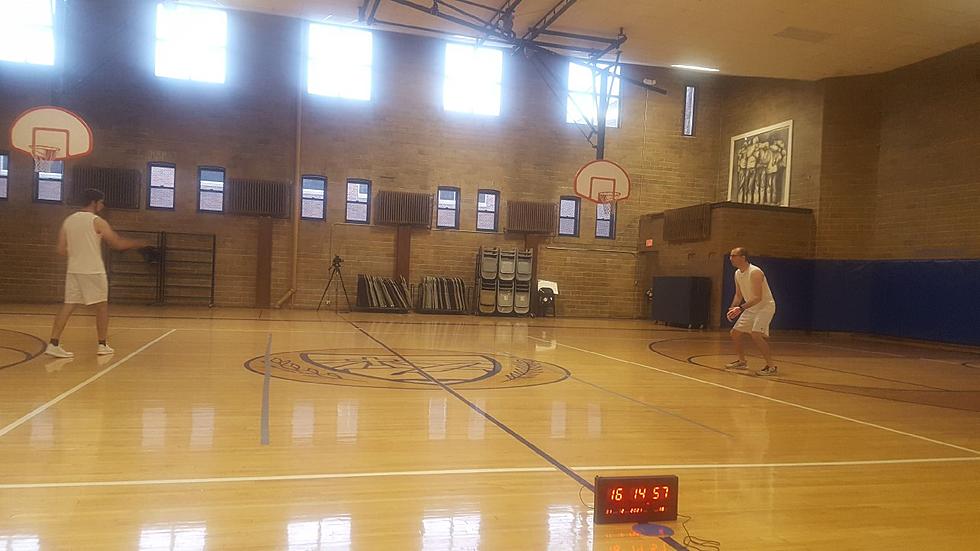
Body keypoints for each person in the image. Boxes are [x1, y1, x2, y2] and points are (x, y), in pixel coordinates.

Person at [45, 189, 144, 358]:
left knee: (68, 304)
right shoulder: (97, 221)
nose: (102, 205)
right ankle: (102, 344)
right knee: (101, 307)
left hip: (74, 270)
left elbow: (61, 249)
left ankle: (53, 343)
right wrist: (138, 244)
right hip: (93, 270)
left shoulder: (69, 220)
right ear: (93, 202)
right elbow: (116, 243)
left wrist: (78, 253)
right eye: (101, 202)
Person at [725, 247, 778, 376]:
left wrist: (740, 308)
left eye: (734, 255)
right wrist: (732, 308)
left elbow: (757, 297)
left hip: (765, 307)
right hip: (751, 307)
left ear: (743, 257)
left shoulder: (755, 272)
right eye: (730, 256)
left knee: (756, 334)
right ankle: (742, 361)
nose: (731, 258)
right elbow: (738, 295)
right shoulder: (737, 273)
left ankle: (771, 367)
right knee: (735, 333)